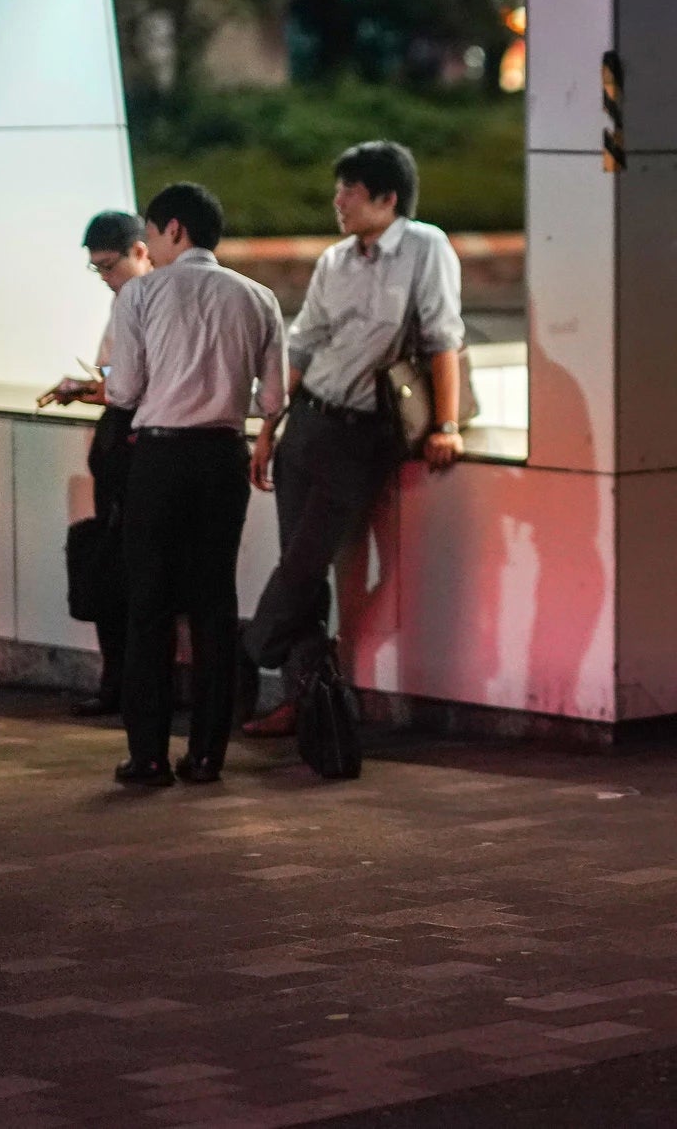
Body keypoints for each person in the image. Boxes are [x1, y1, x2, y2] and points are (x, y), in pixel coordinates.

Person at [239, 141, 464, 739]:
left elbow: (444, 337)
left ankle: (249, 649)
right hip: (307, 421)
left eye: (351, 191)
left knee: (308, 559)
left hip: (362, 433)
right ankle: (304, 701)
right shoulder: (336, 259)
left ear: (388, 199)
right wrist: (268, 428)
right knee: (301, 569)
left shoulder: (425, 248)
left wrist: (446, 425)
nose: (337, 201)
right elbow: (303, 343)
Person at [107, 183, 284, 787]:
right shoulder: (258, 297)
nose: (150, 247)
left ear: (173, 229)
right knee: (214, 605)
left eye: (152, 235)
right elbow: (275, 398)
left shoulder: (141, 294)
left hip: (159, 459)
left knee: (149, 606)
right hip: (222, 458)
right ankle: (208, 754)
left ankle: (148, 755)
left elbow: (124, 390)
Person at [42, 211, 152, 717]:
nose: (106, 278)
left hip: (140, 450)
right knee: (112, 569)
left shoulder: (151, 302)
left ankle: (132, 685)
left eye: (110, 266)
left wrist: (89, 388)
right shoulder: (122, 303)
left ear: (140, 250)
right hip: (115, 450)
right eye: (97, 269)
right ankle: (118, 682)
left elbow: (133, 384)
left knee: (135, 574)